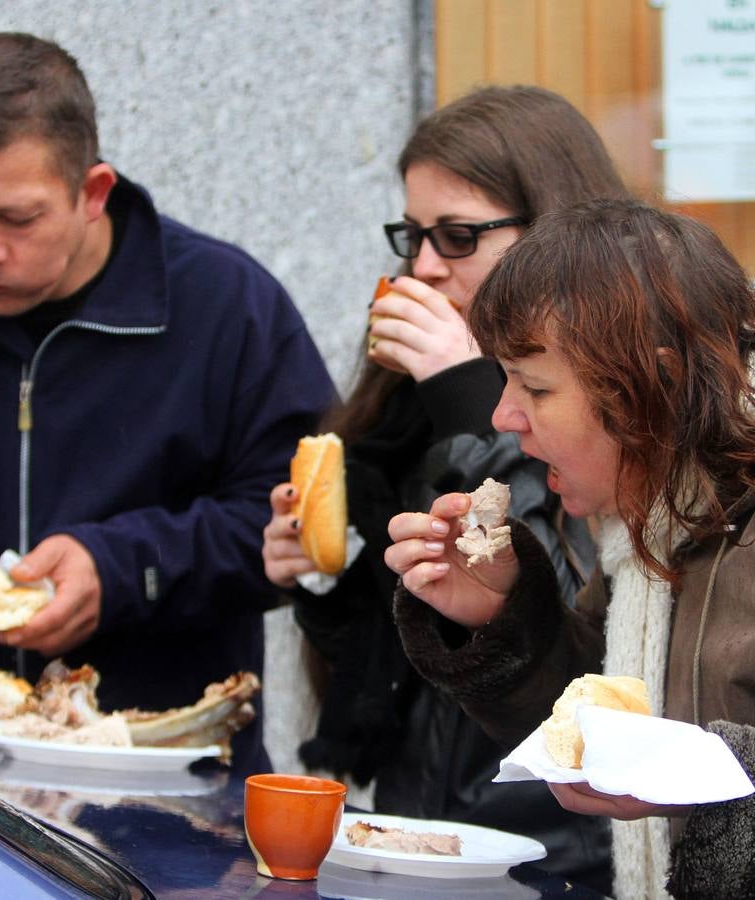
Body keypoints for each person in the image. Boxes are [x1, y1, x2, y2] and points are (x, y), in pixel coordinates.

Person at [384, 198, 755, 897]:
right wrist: (505, 616)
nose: (503, 415)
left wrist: (712, 786)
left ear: (655, 386)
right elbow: (616, 728)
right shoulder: (669, 490)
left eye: (535, 387)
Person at [0, 32, 334, 776]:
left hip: (164, 774)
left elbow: (296, 530)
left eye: (17, 219)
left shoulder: (227, 306)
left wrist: (123, 572)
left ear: (93, 192)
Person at [261, 86, 630, 889]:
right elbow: (403, 653)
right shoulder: (407, 397)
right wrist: (323, 573)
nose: (424, 266)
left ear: (550, 233)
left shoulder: (606, 398)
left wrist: (468, 401)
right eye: (413, 235)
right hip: (422, 827)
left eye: (458, 237)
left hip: (557, 849)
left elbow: (556, 611)